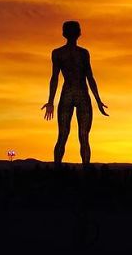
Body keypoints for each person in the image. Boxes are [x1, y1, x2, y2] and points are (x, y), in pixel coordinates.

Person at [41, 21, 109, 165]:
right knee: (83, 137)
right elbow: (89, 77)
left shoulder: (58, 53)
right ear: (79, 33)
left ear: (63, 33)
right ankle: (84, 171)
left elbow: (55, 78)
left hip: (68, 94)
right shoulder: (82, 53)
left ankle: (58, 170)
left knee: (63, 136)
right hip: (81, 94)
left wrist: (51, 101)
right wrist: (97, 100)